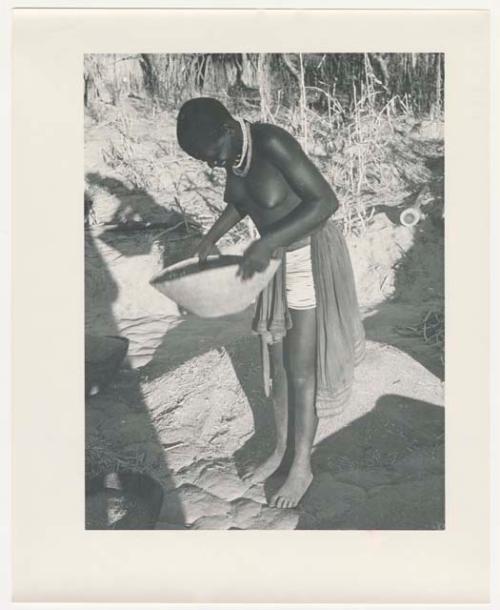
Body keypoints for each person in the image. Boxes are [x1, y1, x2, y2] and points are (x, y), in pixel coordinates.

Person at [176, 97, 365, 508]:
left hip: (306, 257)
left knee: (300, 369)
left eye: (213, 156)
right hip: (273, 260)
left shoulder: (272, 142)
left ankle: (302, 466)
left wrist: (267, 241)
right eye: (206, 162)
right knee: (278, 365)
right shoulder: (234, 158)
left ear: (228, 130)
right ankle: (280, 450)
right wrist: (211, 237)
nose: (213, 166)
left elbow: (325, 202)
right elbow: (242, 201)